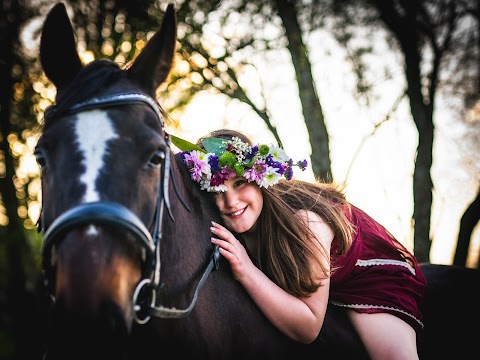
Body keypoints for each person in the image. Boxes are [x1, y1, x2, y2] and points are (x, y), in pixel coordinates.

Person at [175, 129, 427, 360]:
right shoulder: (229, 220)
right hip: (312, 277)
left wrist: (246, 270)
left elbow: (309, 327)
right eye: (216, 191)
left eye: (239, 183)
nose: (229, 201)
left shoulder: (307, 222)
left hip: (366, 276)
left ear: (259, 178)